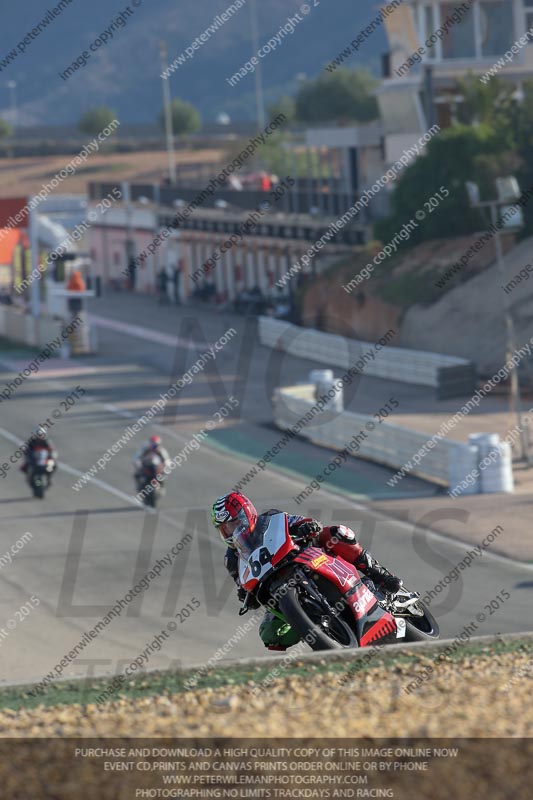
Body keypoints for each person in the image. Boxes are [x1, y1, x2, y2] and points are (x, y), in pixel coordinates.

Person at [211, 492, 402, 651]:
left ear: (247, 514)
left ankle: (380, 575)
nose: (231, 532)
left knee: (337, 533)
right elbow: (241, 585)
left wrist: (307, 526)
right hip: (274, 590)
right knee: (270, 635)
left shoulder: (269, 519)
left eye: (234, 523)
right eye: (224, 529)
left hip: (303, 560)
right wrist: (245, 596)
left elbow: (299, 522)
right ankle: (319, 631)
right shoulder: (232, 558)